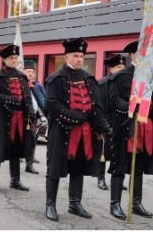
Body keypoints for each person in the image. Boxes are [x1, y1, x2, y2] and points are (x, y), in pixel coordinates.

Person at [44, 38, 110, 222]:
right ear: (66, 57)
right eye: (75, 56)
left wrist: (104, 127)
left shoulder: (89, 79)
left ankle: (75, 203)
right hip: (61, 131)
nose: (79, 59)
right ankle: (50, 204)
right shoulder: (55, 78)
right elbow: (51, 105)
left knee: (78, 167)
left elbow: (97, 107)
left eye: (81, 56)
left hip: (84, 133)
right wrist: (74, 116)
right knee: (55, 168)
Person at [107, 42, 153, 220]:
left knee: (138, 169)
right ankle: (115, 204)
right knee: (119, 167)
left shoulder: (151, 78)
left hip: (146, 129)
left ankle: (136, 203)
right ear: (132, 55)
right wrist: (132, 105)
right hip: (125, 127)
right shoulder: (120, 76)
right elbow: (114, 101)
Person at [0, 44, 31, 194]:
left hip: (19, 119)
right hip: (2, 118)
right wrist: (10, 100)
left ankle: (15, 180)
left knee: (16, 149)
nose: (14, 60)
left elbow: (27, 97)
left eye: (16, 57)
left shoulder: (22, 76)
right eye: (11, 58)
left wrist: (30, 113)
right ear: (4, 59)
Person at [95, 54, 125, 191]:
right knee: (104, 152)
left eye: (123, 67)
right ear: (111, 69)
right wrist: (102, 126)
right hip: (106, 121)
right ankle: (100, 178)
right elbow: (99, 106)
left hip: (121, 122)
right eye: (119, 67)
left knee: (119, 153)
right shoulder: (102, 83)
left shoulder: (125, 82)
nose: (122, 70)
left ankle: (117, 177)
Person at [23, 61, 46, 174]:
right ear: (23, 72)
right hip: (23, 118)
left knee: (32, 140)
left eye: (32, 71)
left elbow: (38, 102)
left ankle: (29, 164)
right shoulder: (21, 85)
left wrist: (44, 114)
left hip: (32, 119)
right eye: (28, 71)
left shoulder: (34, 86)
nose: (30, 73)